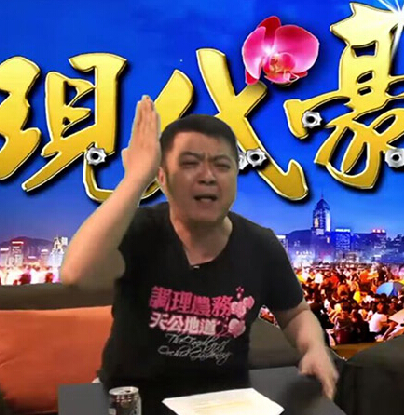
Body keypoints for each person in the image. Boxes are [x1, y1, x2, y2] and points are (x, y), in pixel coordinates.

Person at [60, 96, 338, 398]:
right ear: (162, 177)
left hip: (222, 401)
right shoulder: (138, 230)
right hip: (130, 399)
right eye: (190, 164)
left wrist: (314, 348)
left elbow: (295, 314)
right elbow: (77, 274)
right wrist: (136, 178)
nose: (207, 177)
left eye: (222, 165)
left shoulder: (261, 245)